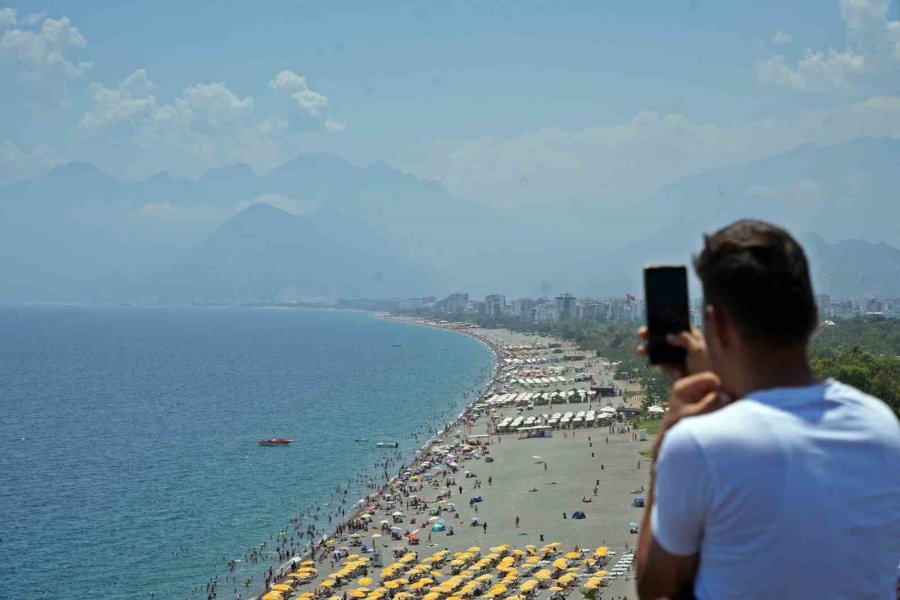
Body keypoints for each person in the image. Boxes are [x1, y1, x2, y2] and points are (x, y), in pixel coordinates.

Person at [635, 220, 900, 600]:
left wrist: (666, 444)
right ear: (813, 317)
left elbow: (654, 588)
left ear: (718, 325)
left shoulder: (697, 446)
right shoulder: (881, 426)